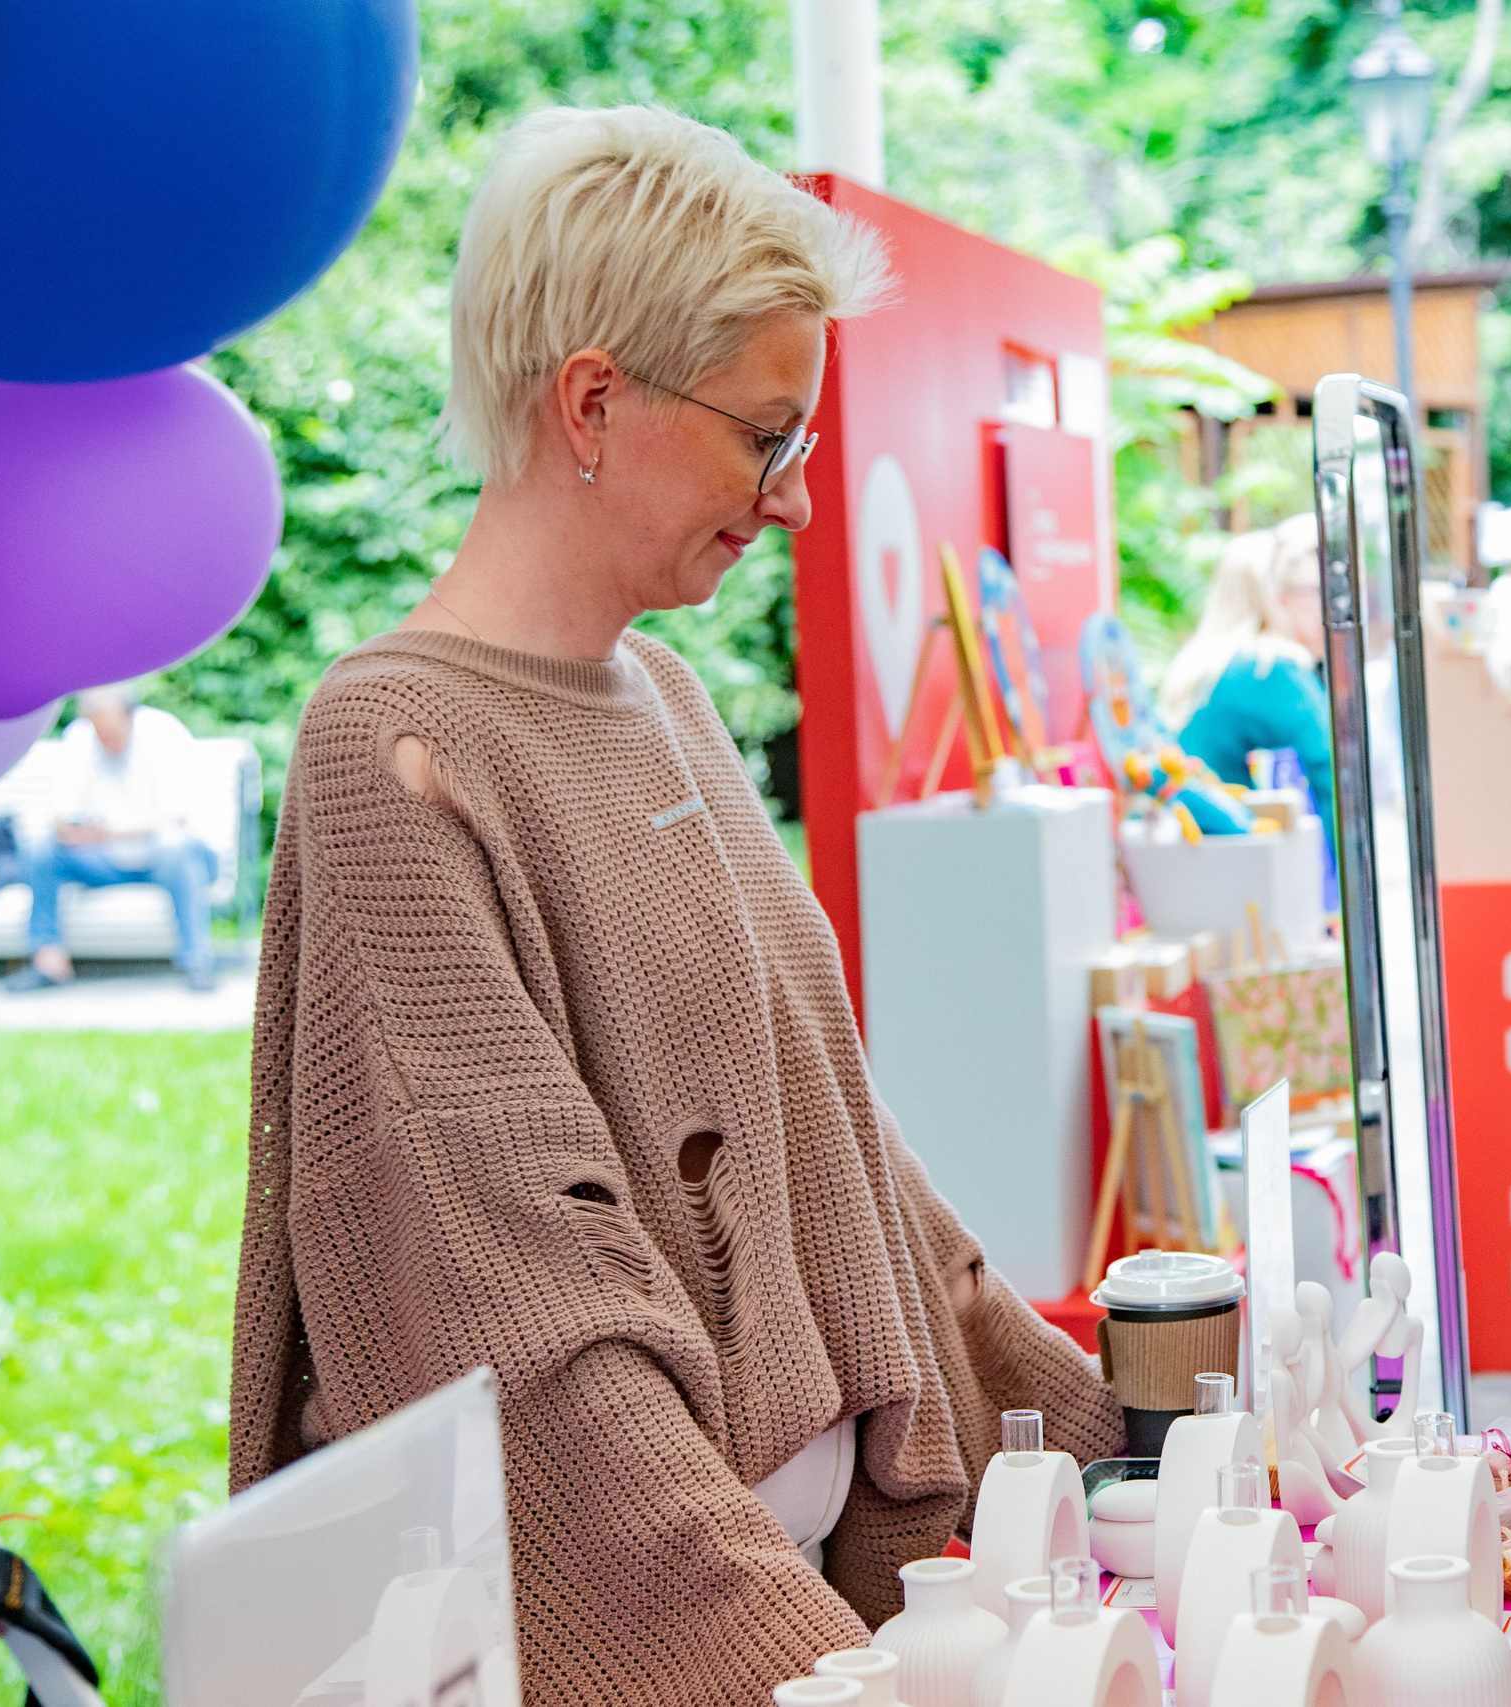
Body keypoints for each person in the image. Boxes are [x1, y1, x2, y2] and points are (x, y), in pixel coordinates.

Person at [229, 106, 1122, 1701]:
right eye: (765, 434)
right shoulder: (399, 747)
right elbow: (522, 1315)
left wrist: (1118, 1428)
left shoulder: (673, 695)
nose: (787, 497)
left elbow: (837, 1151)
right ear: (592, 400)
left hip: (797, 1608)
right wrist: (815, 1671)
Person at [5, 685, 219, 993]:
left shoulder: (162, 731)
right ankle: (48, 961)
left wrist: (112, 831)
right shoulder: (80, 736)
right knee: (41, 850)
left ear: (129, 715)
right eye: (99, 730)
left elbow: (178, 814)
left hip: (164, 857)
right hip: (104, 858)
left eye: (111, 730)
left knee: (178, 849)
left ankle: (197, 961)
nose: (106, 738)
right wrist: (72, 829)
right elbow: (60, 812)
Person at [1158, 513, 1336, 844]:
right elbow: (1334, 774)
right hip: (1248, 870)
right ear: (1277, 597)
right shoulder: (1273, 667)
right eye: (1313, 591)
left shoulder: (1195, 663)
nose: (1323, 606)